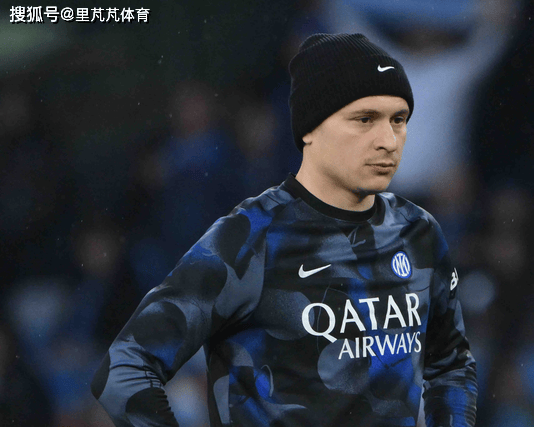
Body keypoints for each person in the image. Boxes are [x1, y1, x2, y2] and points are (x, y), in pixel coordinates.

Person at [91, 33, 477, 427]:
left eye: (398, 119)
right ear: (312, 128)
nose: (388, 141)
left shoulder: (419, 232)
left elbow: (452, 366)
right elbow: (126, 368)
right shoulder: (251, 237)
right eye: (365, 119)